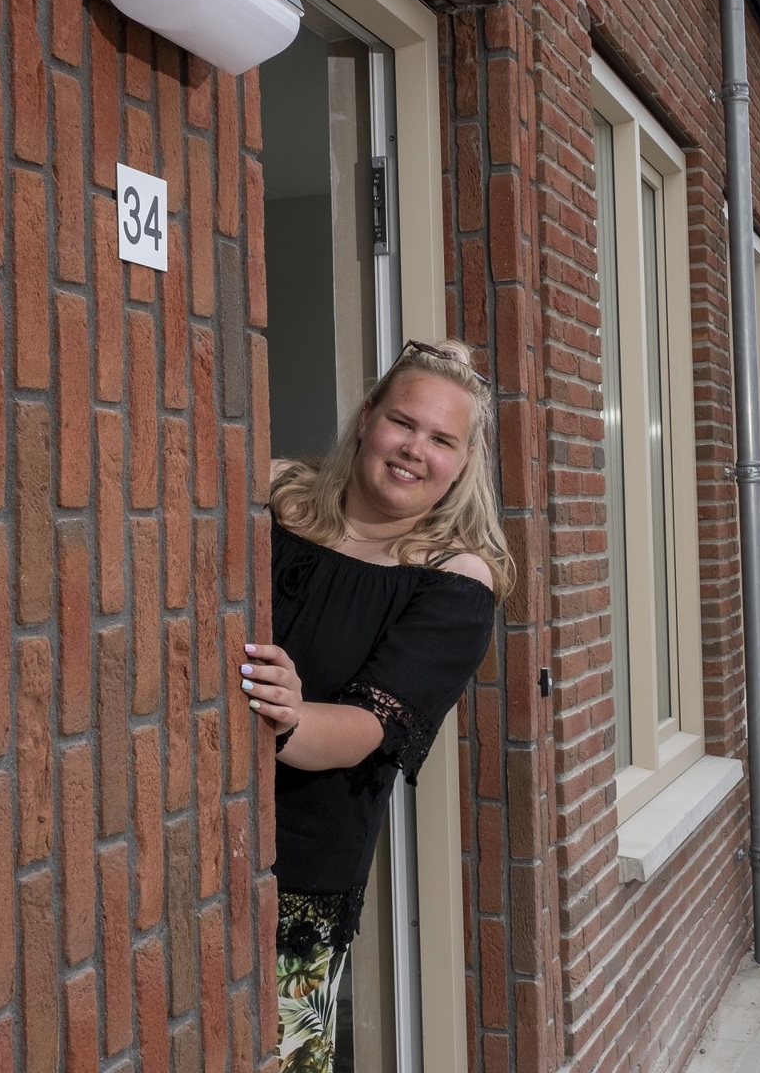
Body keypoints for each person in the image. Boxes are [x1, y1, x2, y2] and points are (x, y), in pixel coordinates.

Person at [239, 339, 513, 1070]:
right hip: (171, 824)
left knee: (281, 1060)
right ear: (366, 419)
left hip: (295, 878)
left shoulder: (455, 582)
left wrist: (292, 714)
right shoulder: (274, 499)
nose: (415, 449)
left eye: (442, 439)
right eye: (402, 422)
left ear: (464, 461)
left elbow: (368, 728)